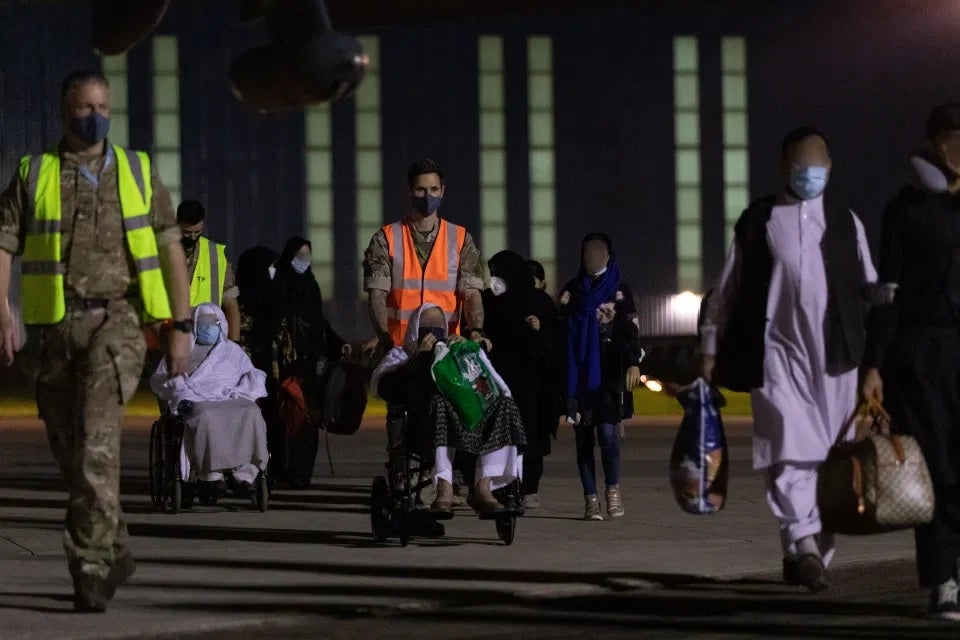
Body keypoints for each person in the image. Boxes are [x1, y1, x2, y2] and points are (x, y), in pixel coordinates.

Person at [0, 70, 192, 612]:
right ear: (65, 113)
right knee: (73, 455)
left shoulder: (138, 172)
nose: (95, 116)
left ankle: (89, 568)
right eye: (85, 107)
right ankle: (117, 544)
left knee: (96, 449)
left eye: (103, 106)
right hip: (55, 333)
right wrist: (2, 311)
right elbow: (4, 242)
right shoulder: (35, 173)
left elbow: (171, 250)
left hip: (118, 325)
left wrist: (179, 327)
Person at [700, 127, 876, 593]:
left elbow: (872, 291)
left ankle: (806, 553)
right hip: (776, 358)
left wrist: (878, 361)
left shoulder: (846, 222)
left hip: (837, 362)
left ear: (830, 168)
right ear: (784, 168)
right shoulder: (760, 220)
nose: (811, 175)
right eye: (802, 168)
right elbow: (727, 290)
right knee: (786, 453)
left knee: (829, 465)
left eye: (818, 167)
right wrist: (709, 346)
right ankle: (805, 545)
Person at [862, 103, 960, 619]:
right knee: (938, 467)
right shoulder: (906, 209)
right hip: (921, 355)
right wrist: (874, 363)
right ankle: (943, 579)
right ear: (936, 143)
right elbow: (887, 294)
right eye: (953, 139)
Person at [371, 303, 525, 514]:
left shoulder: (453, 351)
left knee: (504, 404)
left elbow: (484, 386)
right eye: (426, 326)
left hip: (469, 427)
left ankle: (483, 485)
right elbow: (387, 389)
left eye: (438, 327)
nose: (432, 332)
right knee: (440, 402)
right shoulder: (401, 356)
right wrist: (420, 358)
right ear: (415, 328)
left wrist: (466, 352)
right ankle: (444, 486)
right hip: (423, 430)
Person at [559, 233, 644, 522]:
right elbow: (560, 326)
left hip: (609, 373)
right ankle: (590, 499)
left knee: (608, 433)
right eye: (588, 251)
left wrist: (633, 363)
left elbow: (631, 328)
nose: (593, 257)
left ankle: (612, 490)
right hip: (579, 373)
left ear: (609, 256)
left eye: (599, 251)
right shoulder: (572, 290)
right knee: (583, 437)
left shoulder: (619, 290)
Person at [362, 159, 487, 354]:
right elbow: (377, 294)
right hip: (400, 351)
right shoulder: (385, 238)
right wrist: (384, 337)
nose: (428, 196)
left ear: (442, 191)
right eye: (421, 189)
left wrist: (476, 331)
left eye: (434, 189)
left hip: (446, 349)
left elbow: (471, 293)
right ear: (410, 191)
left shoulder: (461, 239)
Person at [151, 303, 269, 497]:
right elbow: (165, 377)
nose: (208, 327)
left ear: (221, 324)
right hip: (197, 398)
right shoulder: (181, 350)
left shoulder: (232, 351)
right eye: (203, 323)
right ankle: (210, 473)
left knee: (252, 411)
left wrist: (244, 390)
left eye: (212, 323)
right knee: (205, 414)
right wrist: (183, 390)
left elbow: (251, 374)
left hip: (231, 395)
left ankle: (244, 473)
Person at [269, 236, 351, 487]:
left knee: (308, 422)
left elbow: (319, 324)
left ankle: (302, 473)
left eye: (307, 256)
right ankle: (282, 470)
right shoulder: (279, 285)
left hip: (310, 367)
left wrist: (338, 343)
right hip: (285, 366)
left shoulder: (310, 285)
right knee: (285, 420)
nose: (303, 261)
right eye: (299, 256)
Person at [484, 251, 557, 509]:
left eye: (498, 272)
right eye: (492, 272)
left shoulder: (539, 301)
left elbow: (552, 340)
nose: (494, 278)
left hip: (531, 380)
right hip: (498, 379)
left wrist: (536, 331)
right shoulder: (489, 301)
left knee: (531, 434)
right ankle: (500, 485)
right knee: (499, 433)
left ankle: (529, 488)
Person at [176, 199, 241, 340]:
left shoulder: (215, 255)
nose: (193, 237)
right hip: (172, 337)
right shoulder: (161, 253)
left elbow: (231, 304)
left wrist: (234, 346)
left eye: (197, 232)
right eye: (187, 232)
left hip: (207, 341)